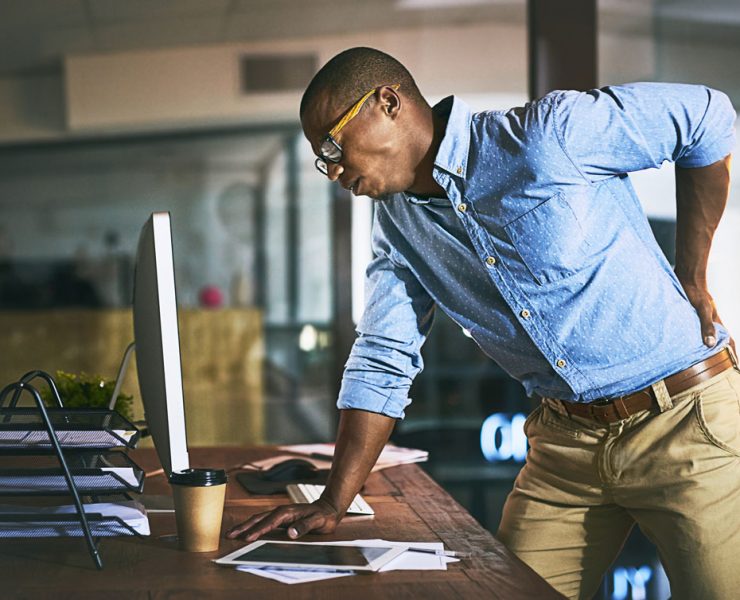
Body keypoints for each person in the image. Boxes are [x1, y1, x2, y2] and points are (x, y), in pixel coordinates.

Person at [227, 47, 738, 599]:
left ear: (387, 103)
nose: (331, 169)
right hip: (565, 445)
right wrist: (333, 500)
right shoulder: (396, 226)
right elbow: (382, 355)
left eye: (332, 144)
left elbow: (706, 116)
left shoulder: (544, 136)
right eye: (318, 157)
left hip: (685, 422)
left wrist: (693, 273)